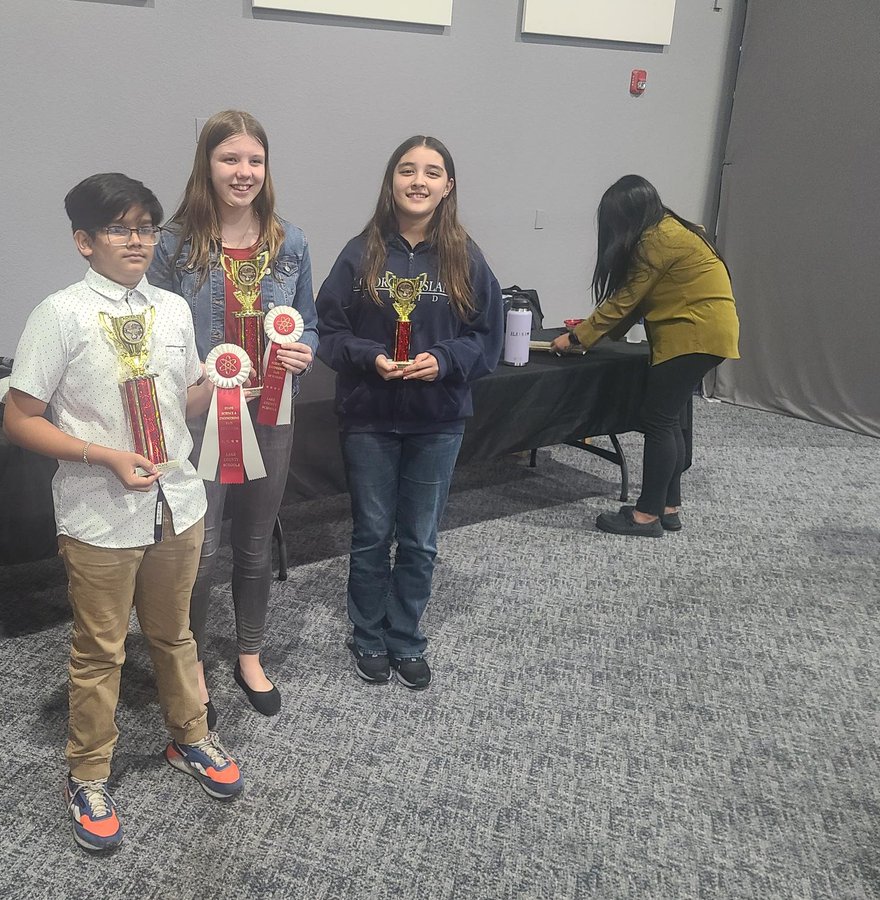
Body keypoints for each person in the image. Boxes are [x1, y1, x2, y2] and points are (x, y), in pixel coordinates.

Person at [4, 173, 244, 853]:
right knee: (101, 650)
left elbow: (183, 398)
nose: (136, 240)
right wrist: (103, 455)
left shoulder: (172, 309)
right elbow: (19, 418)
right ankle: (87, 774)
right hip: (100, 514)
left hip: (177, 502)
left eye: (145, 227)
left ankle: (190, 736)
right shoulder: (60, 314)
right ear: (84, 241)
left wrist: (223, 385)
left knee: (175, 634)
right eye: (118, 228)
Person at [315, 135, 504, 690]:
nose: (418, 180)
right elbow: (328, 330)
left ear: (448, 187)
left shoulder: (466, 257)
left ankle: (405, 636)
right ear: (391, 181)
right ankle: (367, 634)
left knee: (420, 537)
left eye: (432, 172)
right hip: (369, 417)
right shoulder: (360, 253)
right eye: (407, 169)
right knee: (372, 532)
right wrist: (369, 356)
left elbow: (486, 338)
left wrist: (444, 360)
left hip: (436, 419)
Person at [149, 110, 318, 722]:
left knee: (254, 540)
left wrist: (304, 351)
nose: (243, 172)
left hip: (272, 413)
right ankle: (192, 662)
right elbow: (157, 335)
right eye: (230, 159)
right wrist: (196, 383)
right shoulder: (172, 245)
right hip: (201, 418)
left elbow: (310, 322)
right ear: (207, 164)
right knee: (201, 547)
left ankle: (250, 653)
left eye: (255, 160)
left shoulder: (290, 242)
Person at [550, 174, 740, 537]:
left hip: (691, 335)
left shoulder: (656, 240)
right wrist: (592, 336)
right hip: (711, 334)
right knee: (669, 421)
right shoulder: (674, 230)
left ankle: (646, 516)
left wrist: (575, 337)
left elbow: (624, 301)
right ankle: (668, 506)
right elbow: (638, 303)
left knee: (658, 422)